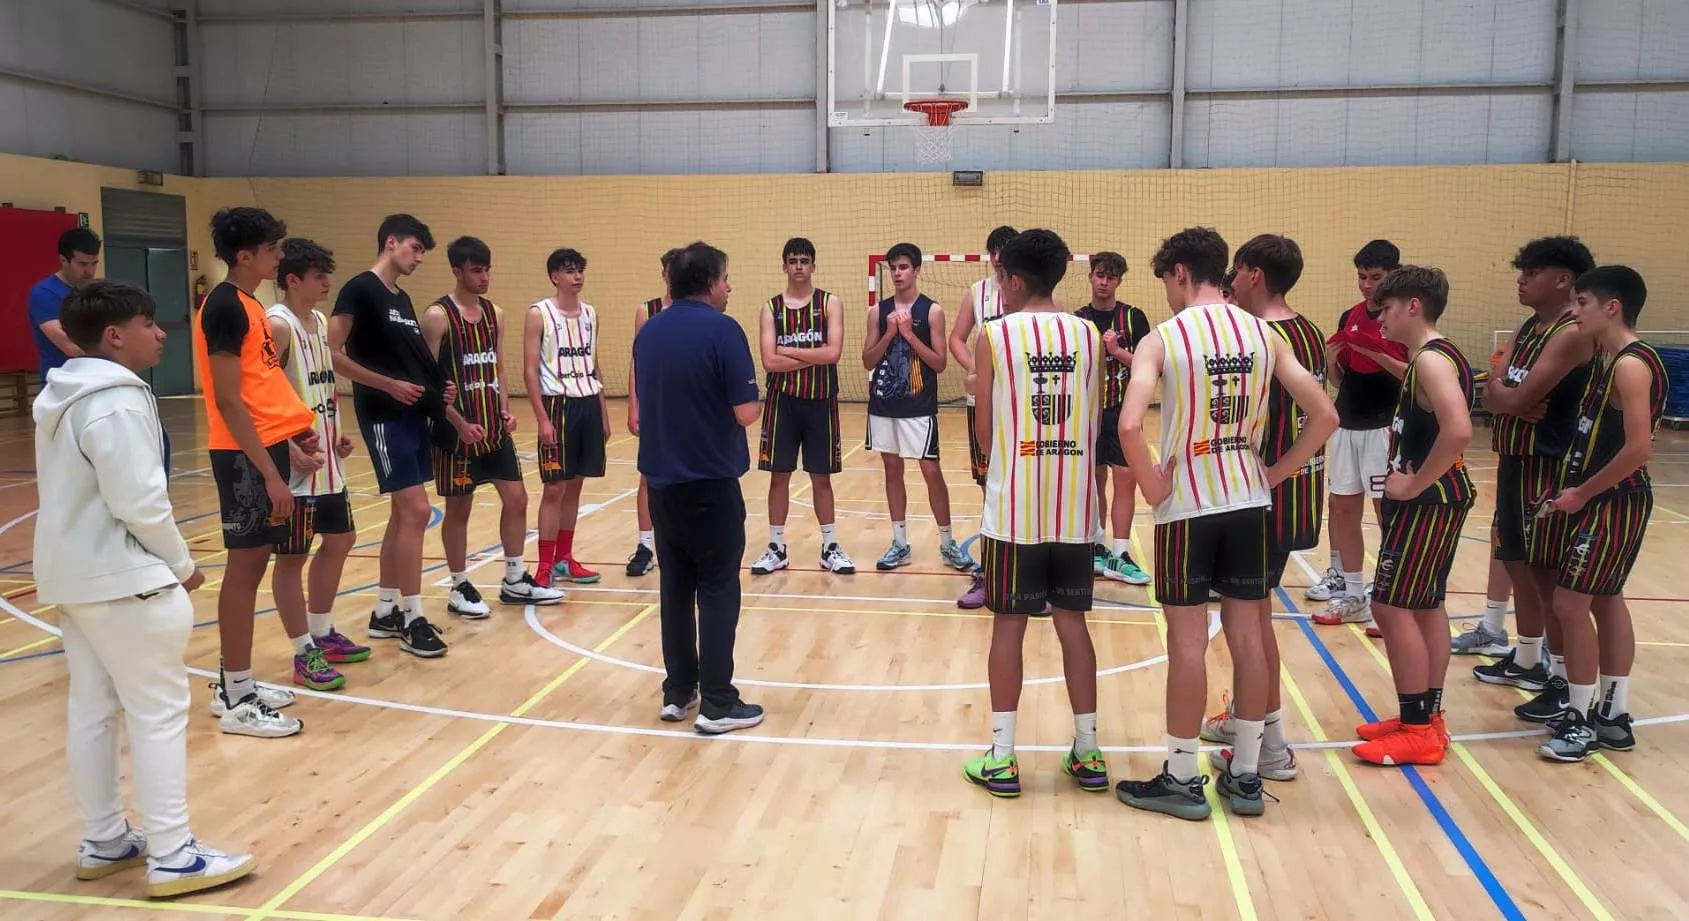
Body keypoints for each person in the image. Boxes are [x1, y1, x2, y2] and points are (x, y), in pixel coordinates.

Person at [36, 279, 256, 899]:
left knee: (93, 709)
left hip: (73, 577)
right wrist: (183, 564)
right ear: (115, 335)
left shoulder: (64, 393)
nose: (161, 333)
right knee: (158, 712)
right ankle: (173, 855)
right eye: (149, 324)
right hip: (124, 577)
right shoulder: (117, 399)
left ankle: (105, 839)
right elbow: (140, 501)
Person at [1114, 227, 1337, 821]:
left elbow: (1130, 425)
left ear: (1181, 272)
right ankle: (1244, 776)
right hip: (1248, 501)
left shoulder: (1163, 338)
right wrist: (1276, 472)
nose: (1164, 291)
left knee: (1188, 645)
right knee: (1249, 637)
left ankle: (1183, 778)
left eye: (1165, 279)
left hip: (1189, 505)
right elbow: (1325, 414)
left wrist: (1154, 484)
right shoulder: (1265, 333)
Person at [961, 228, 1109, 797]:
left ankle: (1002, 757)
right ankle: (1089, 752)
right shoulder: (1090, 336)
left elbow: (982, 428)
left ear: (1013, 279)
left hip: (1015, 510)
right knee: (1075, 626)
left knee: (1009, 626)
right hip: (1074, 508)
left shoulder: (993, 336)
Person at [1202, 234, 1326, 782]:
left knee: (1250, 625)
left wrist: (1276, 471)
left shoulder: (1263, 337)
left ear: (1253, 274)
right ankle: (1252, 725)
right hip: (1298, 494)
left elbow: (1321, 418)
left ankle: (1269, 745)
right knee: (1256, 620)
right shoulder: (1309, 331)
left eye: (1236, 272)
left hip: (1265, 496)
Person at [196, 207, 320, 737]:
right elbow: (228, 399)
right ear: (245, 255)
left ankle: (236, 683)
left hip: (264, 449)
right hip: (243, 456)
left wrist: (292, 434)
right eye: (272, 248)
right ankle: (237, 696)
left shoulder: (249, 304)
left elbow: (259, 386)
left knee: (255, 567)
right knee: (244, 571)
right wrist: (267, 472)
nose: (279, 255)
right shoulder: (224, 306)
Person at [633, 241, 765, 735]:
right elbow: (745, 411)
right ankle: (717, 702)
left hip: (663, 486)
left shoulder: (649, 333)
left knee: (675, 586)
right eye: (726, 278)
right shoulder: (723, 330)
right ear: (710, 282)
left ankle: (678, 690)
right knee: (716, 589)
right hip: (710, 483)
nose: (730, 287)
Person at [1351, 266, 1476, 767]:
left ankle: (1419, 728)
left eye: (1387, 307)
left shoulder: (1432, 360)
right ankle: (1425, 716)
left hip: (1430, 499)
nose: (1380, 317)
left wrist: (1414, 481)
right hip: (1438, 497)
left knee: (1391, 605)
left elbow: (1460, 430)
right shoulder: (1432, 357)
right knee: (1425, 606)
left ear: (1414, 306)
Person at [1537, 265, 1662, 761]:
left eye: (1582, 301)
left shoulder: (1632, 364)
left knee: (1570, 605)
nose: (1574, 310)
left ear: (1612, 307)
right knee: (1607, 601)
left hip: (1615, 500)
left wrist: (1582, 494)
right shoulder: (1610, 361)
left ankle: (1581, 717)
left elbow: (1639, 449)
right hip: (1602, 496)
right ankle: (1613, 715)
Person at [1475, 236, 1596, 720]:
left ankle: (1564, 679)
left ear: (1563, 279)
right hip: (1513, 457)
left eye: (1531, 271)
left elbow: (1520, 399)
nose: (1521, 279)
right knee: (1519, 563)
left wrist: (1508, 396)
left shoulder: (1571, 331)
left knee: (1546, 575)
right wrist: (1506, 396)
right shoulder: (1529, 325)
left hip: (1548, 465)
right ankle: (1529, 658)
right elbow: (1493, 394)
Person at [330, 214, 451, 658]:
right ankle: (414, 616)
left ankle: (385, 611)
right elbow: (332, 351)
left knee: (405, 516)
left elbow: (411, 362)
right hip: (383, 414)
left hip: (412, 415)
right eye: (416, 248)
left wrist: (437, 390)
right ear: (391, 242)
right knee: (418, 511)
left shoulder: (400, 298)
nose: (419, 258)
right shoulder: (360, 289)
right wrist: (387, 385)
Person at [422, 236, 563, 612]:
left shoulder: (493, 313)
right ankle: (458, 585)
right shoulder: (437, 317)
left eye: (487, 269)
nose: (484, 277)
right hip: (455, 434)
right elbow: (428, 383)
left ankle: (515, 578)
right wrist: (456, 421)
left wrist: (505, 409)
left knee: (517, 499)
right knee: (459, 510)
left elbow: (497, 366)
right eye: (476, 270)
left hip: (493, 429)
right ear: (456, 271)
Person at [265, 238, 369, 691]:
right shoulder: (278, 326)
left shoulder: (321, 322)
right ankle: (302, 651)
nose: (328, 283)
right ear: (292, 279)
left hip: (326, 458)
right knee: (290, 558)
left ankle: (323, 631)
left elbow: (319, 386)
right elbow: (260, 397)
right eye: (319, 276)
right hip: (295, 465)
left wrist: (336, 431)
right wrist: (287, 449)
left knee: (342, 538)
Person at [1310, 241, 1407, 633]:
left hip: (1385, 427)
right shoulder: (1350, 315)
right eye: (1363, 277)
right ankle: (1354, 595)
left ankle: (1392, 599)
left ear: (1393, 276)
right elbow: (1340, 379)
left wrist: (1376, 351)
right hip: (1348, 423)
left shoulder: (1401, 317)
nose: (1367, 286)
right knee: (1343, 509)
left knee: (1389, 514)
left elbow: (1414, 374)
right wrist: (1333, 358)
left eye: (1376, 278)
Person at [750, 237, 854, 576]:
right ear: (784, 266)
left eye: (804, 261)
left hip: (821, 401)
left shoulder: (830, 303)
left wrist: (789, 353)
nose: (798, 266)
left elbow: (833, 354)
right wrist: (813, 356)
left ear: (813, 265)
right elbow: (769, 361)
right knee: (778, 477)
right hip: (782, 404)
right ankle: (777, 547)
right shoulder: (771, 307)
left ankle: (830, 547)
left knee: (820, 477)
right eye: (792, 260)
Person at [863, 243, 968, 572]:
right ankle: (899, 542)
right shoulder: (877, 312)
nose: (897, 273)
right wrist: (890, 333)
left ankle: (948, 542)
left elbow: (939, 363)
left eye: (904, 267)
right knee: (891, 471)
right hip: (883, 404)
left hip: (919, 406)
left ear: (917, 270)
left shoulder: (932, 311)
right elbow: (867, 359)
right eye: (893, 267)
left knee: (930, 471)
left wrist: (908, 334)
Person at [524, 248, 611, 588]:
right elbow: (530, 371)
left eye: (580, 270)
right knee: (555, 488)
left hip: (587, 402)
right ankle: (544, 564)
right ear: (554, 276)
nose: (577, 276)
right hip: (557, 406)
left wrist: (603, 411)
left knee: (575, 486)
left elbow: (594, 363)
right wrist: (542, 418)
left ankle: (564, 558)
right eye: (570, 271)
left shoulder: (590, 314)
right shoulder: (538, 314)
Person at [947, 226, 1017, 606]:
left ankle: (1027, 572)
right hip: (985, 405)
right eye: (994, 251)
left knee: (1025, 485)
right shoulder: (978, 292)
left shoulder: (1038, 291)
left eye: (1006, 250)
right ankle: (989, 573)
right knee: (990, 487)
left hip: (1025, 408)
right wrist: (976, 369)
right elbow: (957, 337)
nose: (999, 257)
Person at [1073, 251, 1152, 585]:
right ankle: (1095, 545)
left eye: (1111, 277)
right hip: (1087, 413)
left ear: (1120, 280)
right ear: (1090, 276)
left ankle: (1120, 552)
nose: (1104, 282)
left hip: (1123, 411)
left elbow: (1150, 365)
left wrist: (1117, 352)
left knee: (1125, 478)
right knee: (1093, 480)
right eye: (1099, 275)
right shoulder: (1076, 320)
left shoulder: (1134, 318)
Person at [625, 248, 683, 577]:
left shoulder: (697, 309)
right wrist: (634, 403)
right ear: (664, 273)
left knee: (689, 476)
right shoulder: (647, 311)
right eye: (669, 270)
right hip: (656, 406)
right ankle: (646, 545)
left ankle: (680, 542)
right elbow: (637, 360)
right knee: (649, 476)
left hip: (688, 406)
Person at [28, 227, 101, 381]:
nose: (90, 271)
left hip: (95, 380)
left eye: (94, 264)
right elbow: (72, 347)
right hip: (62, 385)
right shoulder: (44, 293)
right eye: (82, 264)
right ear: (63, 260)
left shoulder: (96, 291)